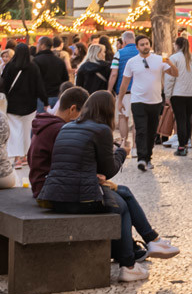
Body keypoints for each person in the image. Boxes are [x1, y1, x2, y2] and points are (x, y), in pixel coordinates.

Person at [37, 91, 179, 281]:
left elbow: (72, 164)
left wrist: (91, 173)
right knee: (121, 206)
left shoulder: (68, 127)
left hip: (55, 196)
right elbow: (110, 169)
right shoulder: (101, 130)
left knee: (123, 193)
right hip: (80, 198)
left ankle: (152, 242)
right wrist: (122, 152)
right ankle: (131, 262)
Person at [120, 35, 168, 169]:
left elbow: (175, 73)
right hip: (138, 101)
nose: (145, 46)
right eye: (142, 44)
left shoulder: (159, 60)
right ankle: (141, 159)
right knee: (141, 130)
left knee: (152, 132)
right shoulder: (132, 62)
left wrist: (169, 63)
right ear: (137, 47)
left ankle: (148, 158)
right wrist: (120, 100)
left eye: (147, 44)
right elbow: (125, 82)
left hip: (156, 101)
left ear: (150, 45)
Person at [28, 84, 86, 191]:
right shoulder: (61, 130)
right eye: (81, 114)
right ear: (72, 109)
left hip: (39, 184)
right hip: (49, 189)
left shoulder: (46, 123)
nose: (82, 119)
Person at [0, 42, 43, 166]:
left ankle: (17, 157)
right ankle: (25, 156)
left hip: (13, 105)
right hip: (30, 105)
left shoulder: (10, 67)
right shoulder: (33, 67)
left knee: (15, 131)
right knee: (26, 131)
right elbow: (39, 85)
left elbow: (4, 84)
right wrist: (44, 101)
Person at [167, 35, 192, 156]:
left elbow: (170, 78)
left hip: (178, 93)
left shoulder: (174, 58)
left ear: (176, 45)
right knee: (187, 118)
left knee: (180, 119)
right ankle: (186, 144)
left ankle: (181, 146)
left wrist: (167, 95)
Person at [34, 35, 70, 108]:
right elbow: (65, 79)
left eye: (38, 43)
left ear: (43, 46)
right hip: (57, 96)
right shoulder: (59, 61)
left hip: (42, 98)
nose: (36, 46)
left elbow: (34, 80)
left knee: (42, 118)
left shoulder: (36, 60)